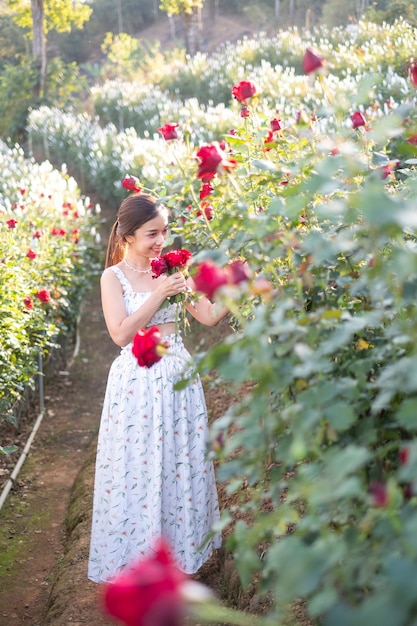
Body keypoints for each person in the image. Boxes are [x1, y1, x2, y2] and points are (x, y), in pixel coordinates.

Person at [88, 192, 228, 583]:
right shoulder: (112, 278)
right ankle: (136, 565)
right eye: (152, 233)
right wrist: (158, 293)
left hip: (178, 380)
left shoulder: (169, 269)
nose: (161, 240)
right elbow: (120, 334)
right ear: (128, 235)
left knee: (178, 465)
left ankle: (179, 562)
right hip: (136, 382)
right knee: (136, 468)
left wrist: (237, 282)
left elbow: (209, 316)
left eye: (165, 231)